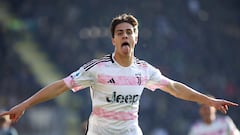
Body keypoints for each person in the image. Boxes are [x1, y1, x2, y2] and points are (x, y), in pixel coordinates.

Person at [0, 13, 238, 135]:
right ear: (113, 39)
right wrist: (26, 104)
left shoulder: (144, 70)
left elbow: (175, 88)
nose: (125, 35)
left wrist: (209, 100)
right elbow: (61, 86)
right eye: (120, 32)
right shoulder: (98, 68)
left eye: (129, 32)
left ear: (136, 38)